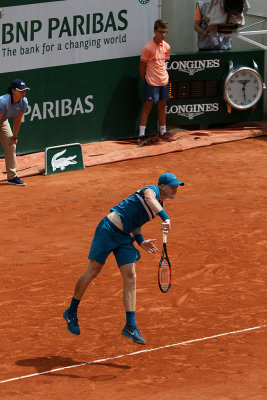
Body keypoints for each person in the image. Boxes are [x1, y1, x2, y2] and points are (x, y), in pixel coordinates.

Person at [63, 172, 184, 345]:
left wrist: (140, 240)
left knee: (131, 277)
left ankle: (130, 325)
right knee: (93, 271)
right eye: (172, 186)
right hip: (108, 230)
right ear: (162, 186)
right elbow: (148, 197)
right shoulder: (152, 191)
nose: (175, 189)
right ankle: (71, 311)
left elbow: (136, 222)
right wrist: (165, 216)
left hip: (124, 237)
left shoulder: (158, 206)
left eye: (177, 187)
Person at [137, 19, 175, 146]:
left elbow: (163, 64)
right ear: (154, 31)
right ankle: (141, 136)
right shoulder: (147, 48)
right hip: (151, 83)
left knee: (162, 107)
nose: (163, 35)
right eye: (160, 32)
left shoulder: (167, 47)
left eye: (165, 32)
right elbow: (142, 68)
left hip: (164, 81)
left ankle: (163, 132)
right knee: (147, 108)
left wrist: (161, 78)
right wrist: (147, 80)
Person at [0, 79, 30, 186]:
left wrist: (14, 136)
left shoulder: (24, 102)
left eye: (24, 90)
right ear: (13, 91)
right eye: (21, 90)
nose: (23, 92)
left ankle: (12, 177)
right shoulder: (3, 102)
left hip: (2, 121)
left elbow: (17, 120)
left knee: (11, 146)